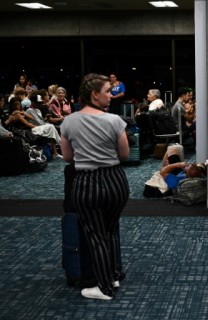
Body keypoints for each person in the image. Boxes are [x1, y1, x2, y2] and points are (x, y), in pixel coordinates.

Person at [60, 73, 130, 300]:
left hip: (87, 184)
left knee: (96, 235)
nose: (112, 95)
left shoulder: (69, 121)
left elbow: (68, 157)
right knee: (109, 231)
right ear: (94, 94)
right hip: (116, 182)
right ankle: (113, 275)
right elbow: (125, 154)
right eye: (108, 91)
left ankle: (105, 288)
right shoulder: (115, 121)